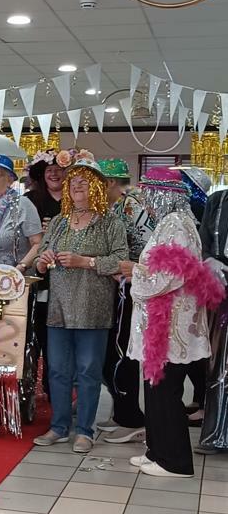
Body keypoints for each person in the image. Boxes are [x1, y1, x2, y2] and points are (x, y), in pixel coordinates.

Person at [122, 167, 224, 477]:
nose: (146, 203)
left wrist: (133, 272)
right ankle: (157, 451)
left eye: (149, 196)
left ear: (162, 196)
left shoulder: (177, 224)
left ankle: (175, 461)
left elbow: (171, 275)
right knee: (155, 390)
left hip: (170, 325)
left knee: (165, 392)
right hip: (161, 323)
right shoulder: (170, 222)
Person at [33, 150, 128, 454]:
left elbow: (121, 261)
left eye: (84, 182)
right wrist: (43, 260)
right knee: (57, 370)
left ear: (97, 186)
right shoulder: (59, 222)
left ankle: (85, 430)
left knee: (88, 371)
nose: (76, 186)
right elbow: (40, 259)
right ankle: (59, 427)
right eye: (72, 181)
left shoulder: (110, 222)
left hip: (93, 308)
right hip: (59, 308)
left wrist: (84, 261)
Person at [97, 158, 154, 444]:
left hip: (128, 288)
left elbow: (149, 252)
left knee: (122, 354)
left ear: (108, 182)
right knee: (111, 353)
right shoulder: (109, 208)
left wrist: (127, 271)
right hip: (111, 287)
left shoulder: (131, 208)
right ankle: (121, 412)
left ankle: (131, 418)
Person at [24, 149, 66, 397]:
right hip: (37, 276)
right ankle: (27, 387)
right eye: (49, 170)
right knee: (32, 334)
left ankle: (55, 389)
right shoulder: (29, 200)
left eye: (59, 169)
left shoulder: (75, 199)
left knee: (56, 340)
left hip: (68, 276)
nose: (54, 174)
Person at [195, 188, 228, 455]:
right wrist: (209, 261)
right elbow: (203, 242)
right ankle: (216, 434)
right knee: (219, 362)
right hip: (221, 290)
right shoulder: (218, 200)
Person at [180, 167, 212, 426]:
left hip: (196, 290)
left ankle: (203, 401)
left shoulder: (199, 214)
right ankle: (200, 398)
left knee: (197, 351)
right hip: (190, 289)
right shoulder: (189, 214)